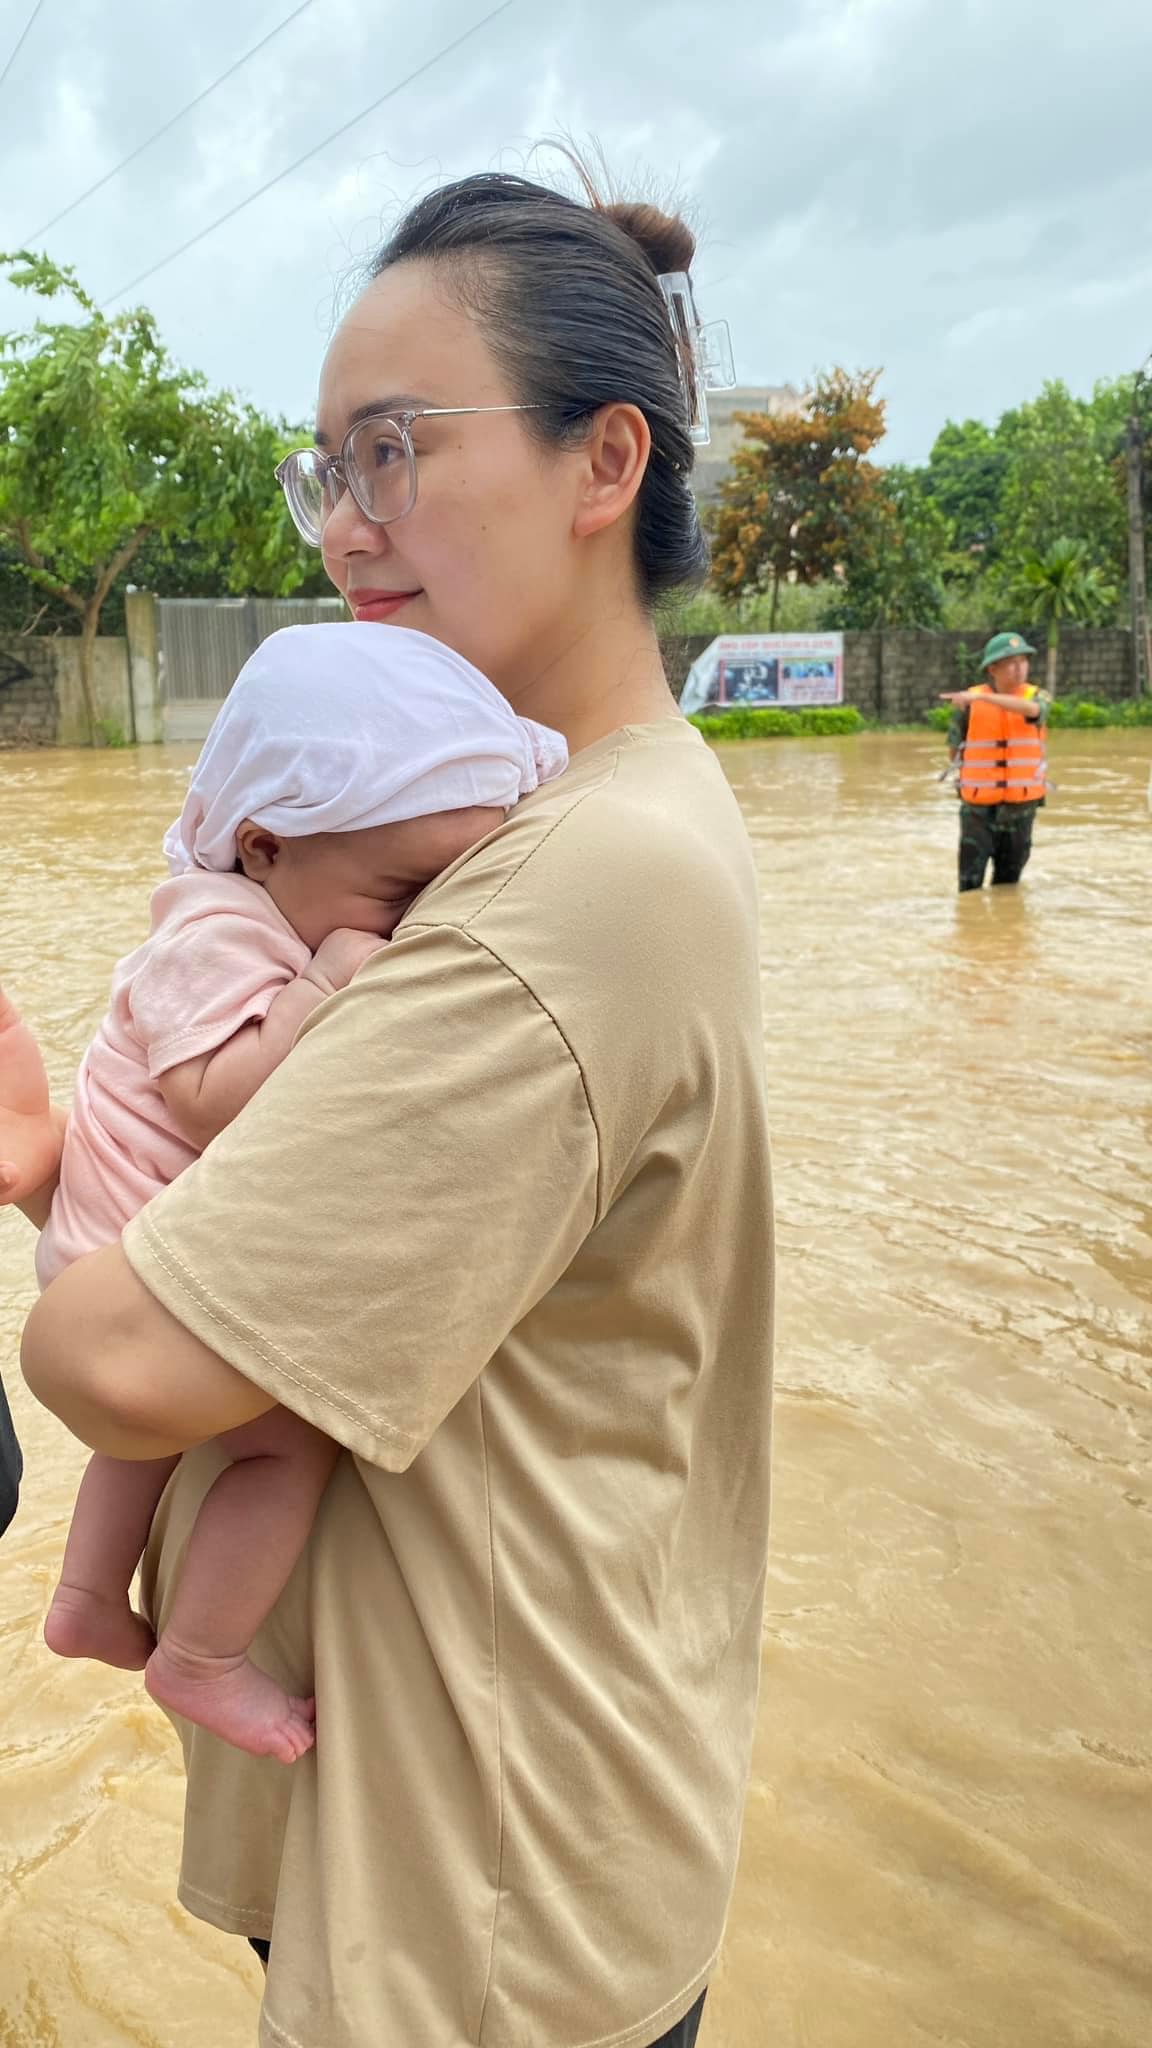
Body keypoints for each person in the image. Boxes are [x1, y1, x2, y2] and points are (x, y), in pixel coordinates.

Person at [14, 170, 773, 2048]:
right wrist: (82, 1161)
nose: (347, 528)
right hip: (489, 1804)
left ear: (605, 465)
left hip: (477, 1898)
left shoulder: (564, 891)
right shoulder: (580, 814)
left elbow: (117, 1361)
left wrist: (72, 1219)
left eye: (396, 454)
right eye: (324, 470)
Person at [8, 622, 565, 1765]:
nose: (415, 926)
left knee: (147, 1442)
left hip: (112, 1245)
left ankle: (84, 1596)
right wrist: (321, 988)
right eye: (402, 891)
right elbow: (213, 1099)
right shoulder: (210, 929)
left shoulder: (269, 903)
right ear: (262, 845)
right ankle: (202, 1656)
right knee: (290, 1449)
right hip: (127, 1264)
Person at [940, 631, 1049, 892]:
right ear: (993, 668)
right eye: (1011, 662)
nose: (1019, 668)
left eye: (1023, 660)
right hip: (977, 809)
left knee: (1007, 888)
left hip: (1020, 809)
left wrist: (983, 698)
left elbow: (1034, 712)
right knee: (969, 886)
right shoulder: (968, 705)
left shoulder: (1037, 697)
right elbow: (954, 750)